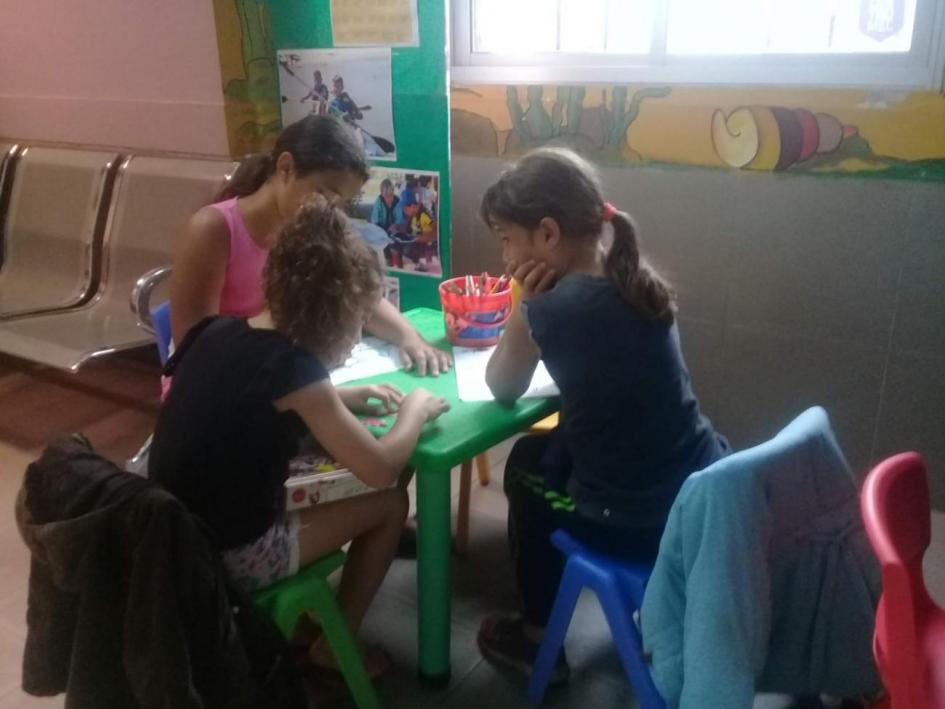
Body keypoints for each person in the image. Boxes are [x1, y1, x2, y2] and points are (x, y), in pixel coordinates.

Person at [150, 195, 450, 678]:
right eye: (358, 319)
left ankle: (320, 622)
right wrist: (413, 412)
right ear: (337, 313)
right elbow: (379, 468)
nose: (356, 334)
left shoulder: (216, 330)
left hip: (169, 529)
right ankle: (337, 646)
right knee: (392, 503)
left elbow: (251, 396)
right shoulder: (296, 370)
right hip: (224, 554)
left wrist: (339, 399)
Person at [476, 148, 729, 682]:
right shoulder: (634, 278)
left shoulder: (558, 308)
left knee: (523, 464)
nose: (502, 256)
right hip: (699, 490)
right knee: (551, 447)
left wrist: (524, 304)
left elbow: (501, 387)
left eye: (505, 239)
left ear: (546, 234)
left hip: (639, 524)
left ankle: (537, 636)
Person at [170, 114, 451, 376]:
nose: (331, 209)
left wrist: (409, 337)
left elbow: (358, 294)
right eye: (324, 193)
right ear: (286, 168)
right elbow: (195, 352)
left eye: (342, 202)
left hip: (282, 378)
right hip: (221, 388)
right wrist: (304, 394)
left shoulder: (317, 227)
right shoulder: (213, 229)